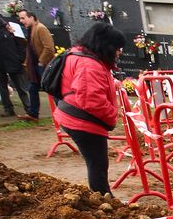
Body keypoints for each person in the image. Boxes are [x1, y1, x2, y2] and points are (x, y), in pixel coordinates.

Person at [51, 22, 126, 194]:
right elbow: (91, 99)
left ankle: (103, 197)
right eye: (117, 47)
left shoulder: (79, 55)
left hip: (75, 116)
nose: (119, 52)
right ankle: (103, 200)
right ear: (105, 45)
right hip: (83, 121)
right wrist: (112, 115)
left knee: (97, 163)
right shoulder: (89, 64)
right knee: (98, 164)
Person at [17, 9, 55, 120]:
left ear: (31, 17)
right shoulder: (30, 29)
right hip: (34, 66)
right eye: (20, 18)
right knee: (32, 88)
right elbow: (29, 46)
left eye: (23, 18)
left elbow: (49, 48)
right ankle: (33, 113)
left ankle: (63, 114)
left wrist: (41, 61)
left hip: (43, 65)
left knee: (52, 90)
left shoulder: (40, 28)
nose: (21, 21)